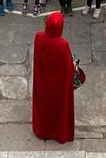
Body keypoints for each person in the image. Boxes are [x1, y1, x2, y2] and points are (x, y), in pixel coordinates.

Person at [32, 11, 76, 144]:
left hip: (42, 81)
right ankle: (59, 132)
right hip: (58, 85)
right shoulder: (63, 45)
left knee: (44, 106)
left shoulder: (38, 37)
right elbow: (68, 67)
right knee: (58, 108)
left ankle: (43, 130)